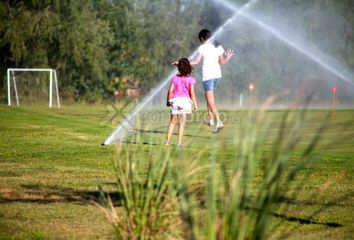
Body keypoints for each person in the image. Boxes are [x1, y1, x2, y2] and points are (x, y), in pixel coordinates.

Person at [190, 29, 234, 132]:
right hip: (217, 76)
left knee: (210, 99)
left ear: (201, 38)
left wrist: (184, 62)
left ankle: (218, 121)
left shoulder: (202, 47)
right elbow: (223, 62)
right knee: (208, 96)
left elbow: (196, 61)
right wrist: (228, 57)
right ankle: (211, 120)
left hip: (208, 76)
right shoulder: (217, 46)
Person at [165, 58, 198, 146]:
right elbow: (192, 93)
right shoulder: (191, 79)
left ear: (178, 68)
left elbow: (170, 91)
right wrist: (195, 104)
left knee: (172, 121)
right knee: (182, 123)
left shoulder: (175, 78)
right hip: (185, 102)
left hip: (175, 101)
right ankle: (179, 143)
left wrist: (168, 101)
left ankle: (167, 142)